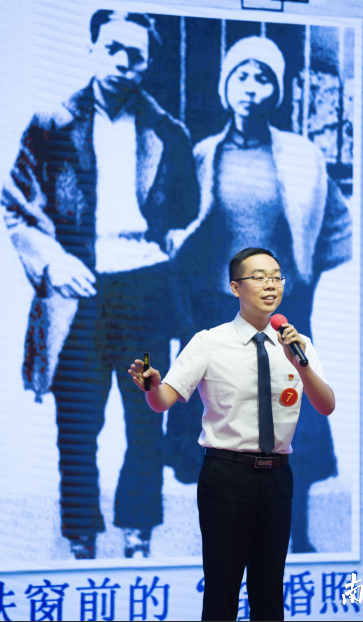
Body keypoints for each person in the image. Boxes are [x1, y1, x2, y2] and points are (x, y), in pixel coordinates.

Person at [1, 9, 199, 559]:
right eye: (112, 48)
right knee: (77, 423)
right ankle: (81, 538)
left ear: (148, 63)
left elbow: (188, 212)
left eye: (135, 54)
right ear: (92, 50)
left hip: (145, 293)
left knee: (145, 421)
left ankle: (138, 533)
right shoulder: (51, 125)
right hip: (77, 294)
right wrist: (53, 263)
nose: (121, 61)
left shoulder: (168, 131)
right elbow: (16, 207)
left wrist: (170, 245)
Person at [167, 35, 352, 552]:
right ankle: (219, 537)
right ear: (226, 86)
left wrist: (305, 279)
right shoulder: (203, 154)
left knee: (291, 416)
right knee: (222, 427)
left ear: (278, 90)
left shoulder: (302, 156)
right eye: (241, 75)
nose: (251, 87)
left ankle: (297, 534)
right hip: (216, 308)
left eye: (264, 77)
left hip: (277, 310)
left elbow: (336, 223)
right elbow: (179, 225)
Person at [129, 247, 335, 621]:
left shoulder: (297, 344)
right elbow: (163, 401)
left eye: (276, 277)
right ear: (235, 287)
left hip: (277, 477)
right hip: (226, 476)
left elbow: (327, 405)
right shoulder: (209, 342)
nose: (270, 285)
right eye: (259, 277)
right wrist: (151, 387)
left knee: (269, 592)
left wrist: (301, 365)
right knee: (222, 590)